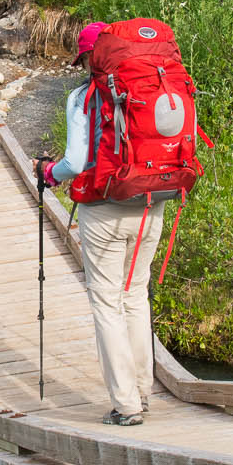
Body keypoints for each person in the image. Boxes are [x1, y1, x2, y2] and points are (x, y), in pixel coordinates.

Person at [37, 21, 165, 427]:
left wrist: (49, 172)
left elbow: (75, 162)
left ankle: (125, 405)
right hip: (151, 203)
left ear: (93, 56)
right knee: (135, 297)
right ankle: (142, 393)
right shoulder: (149, 85)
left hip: (105, 208)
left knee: (107, 303)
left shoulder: (84, 96)